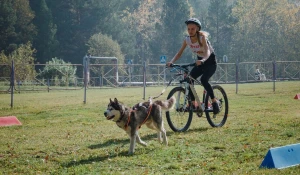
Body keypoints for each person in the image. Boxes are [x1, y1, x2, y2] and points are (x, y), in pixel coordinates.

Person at [166, 18, 220, 114]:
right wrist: (171, 62)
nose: (190, 31)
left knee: (204, 80)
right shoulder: (187, 40)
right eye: (188, 29)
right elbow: (179, 53)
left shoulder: (202, 38)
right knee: (189, 80)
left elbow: (207, 51)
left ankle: (214, 102)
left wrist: (203, 60)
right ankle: (194, 104)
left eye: (193, 29)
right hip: (200, 63)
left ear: (197, 29)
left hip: (210, 63)